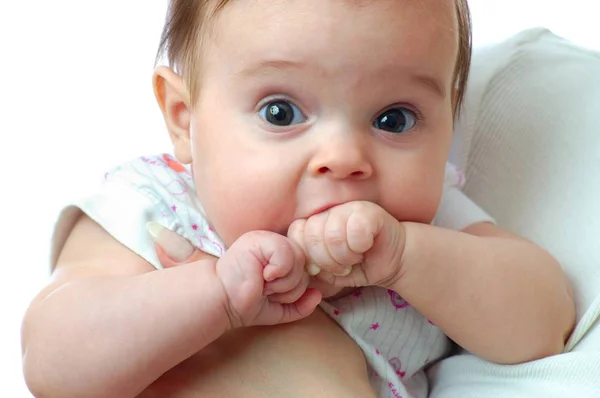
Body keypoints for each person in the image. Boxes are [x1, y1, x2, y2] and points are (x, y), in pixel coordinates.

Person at [22, 0, 576, 397]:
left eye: (394, 119)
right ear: (184, 120)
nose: (342, 156)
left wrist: (407, 256)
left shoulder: (430, 230)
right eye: (280, 112)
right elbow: (50, 362)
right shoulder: (156, 205)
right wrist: (213, 296)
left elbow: (544, 323)